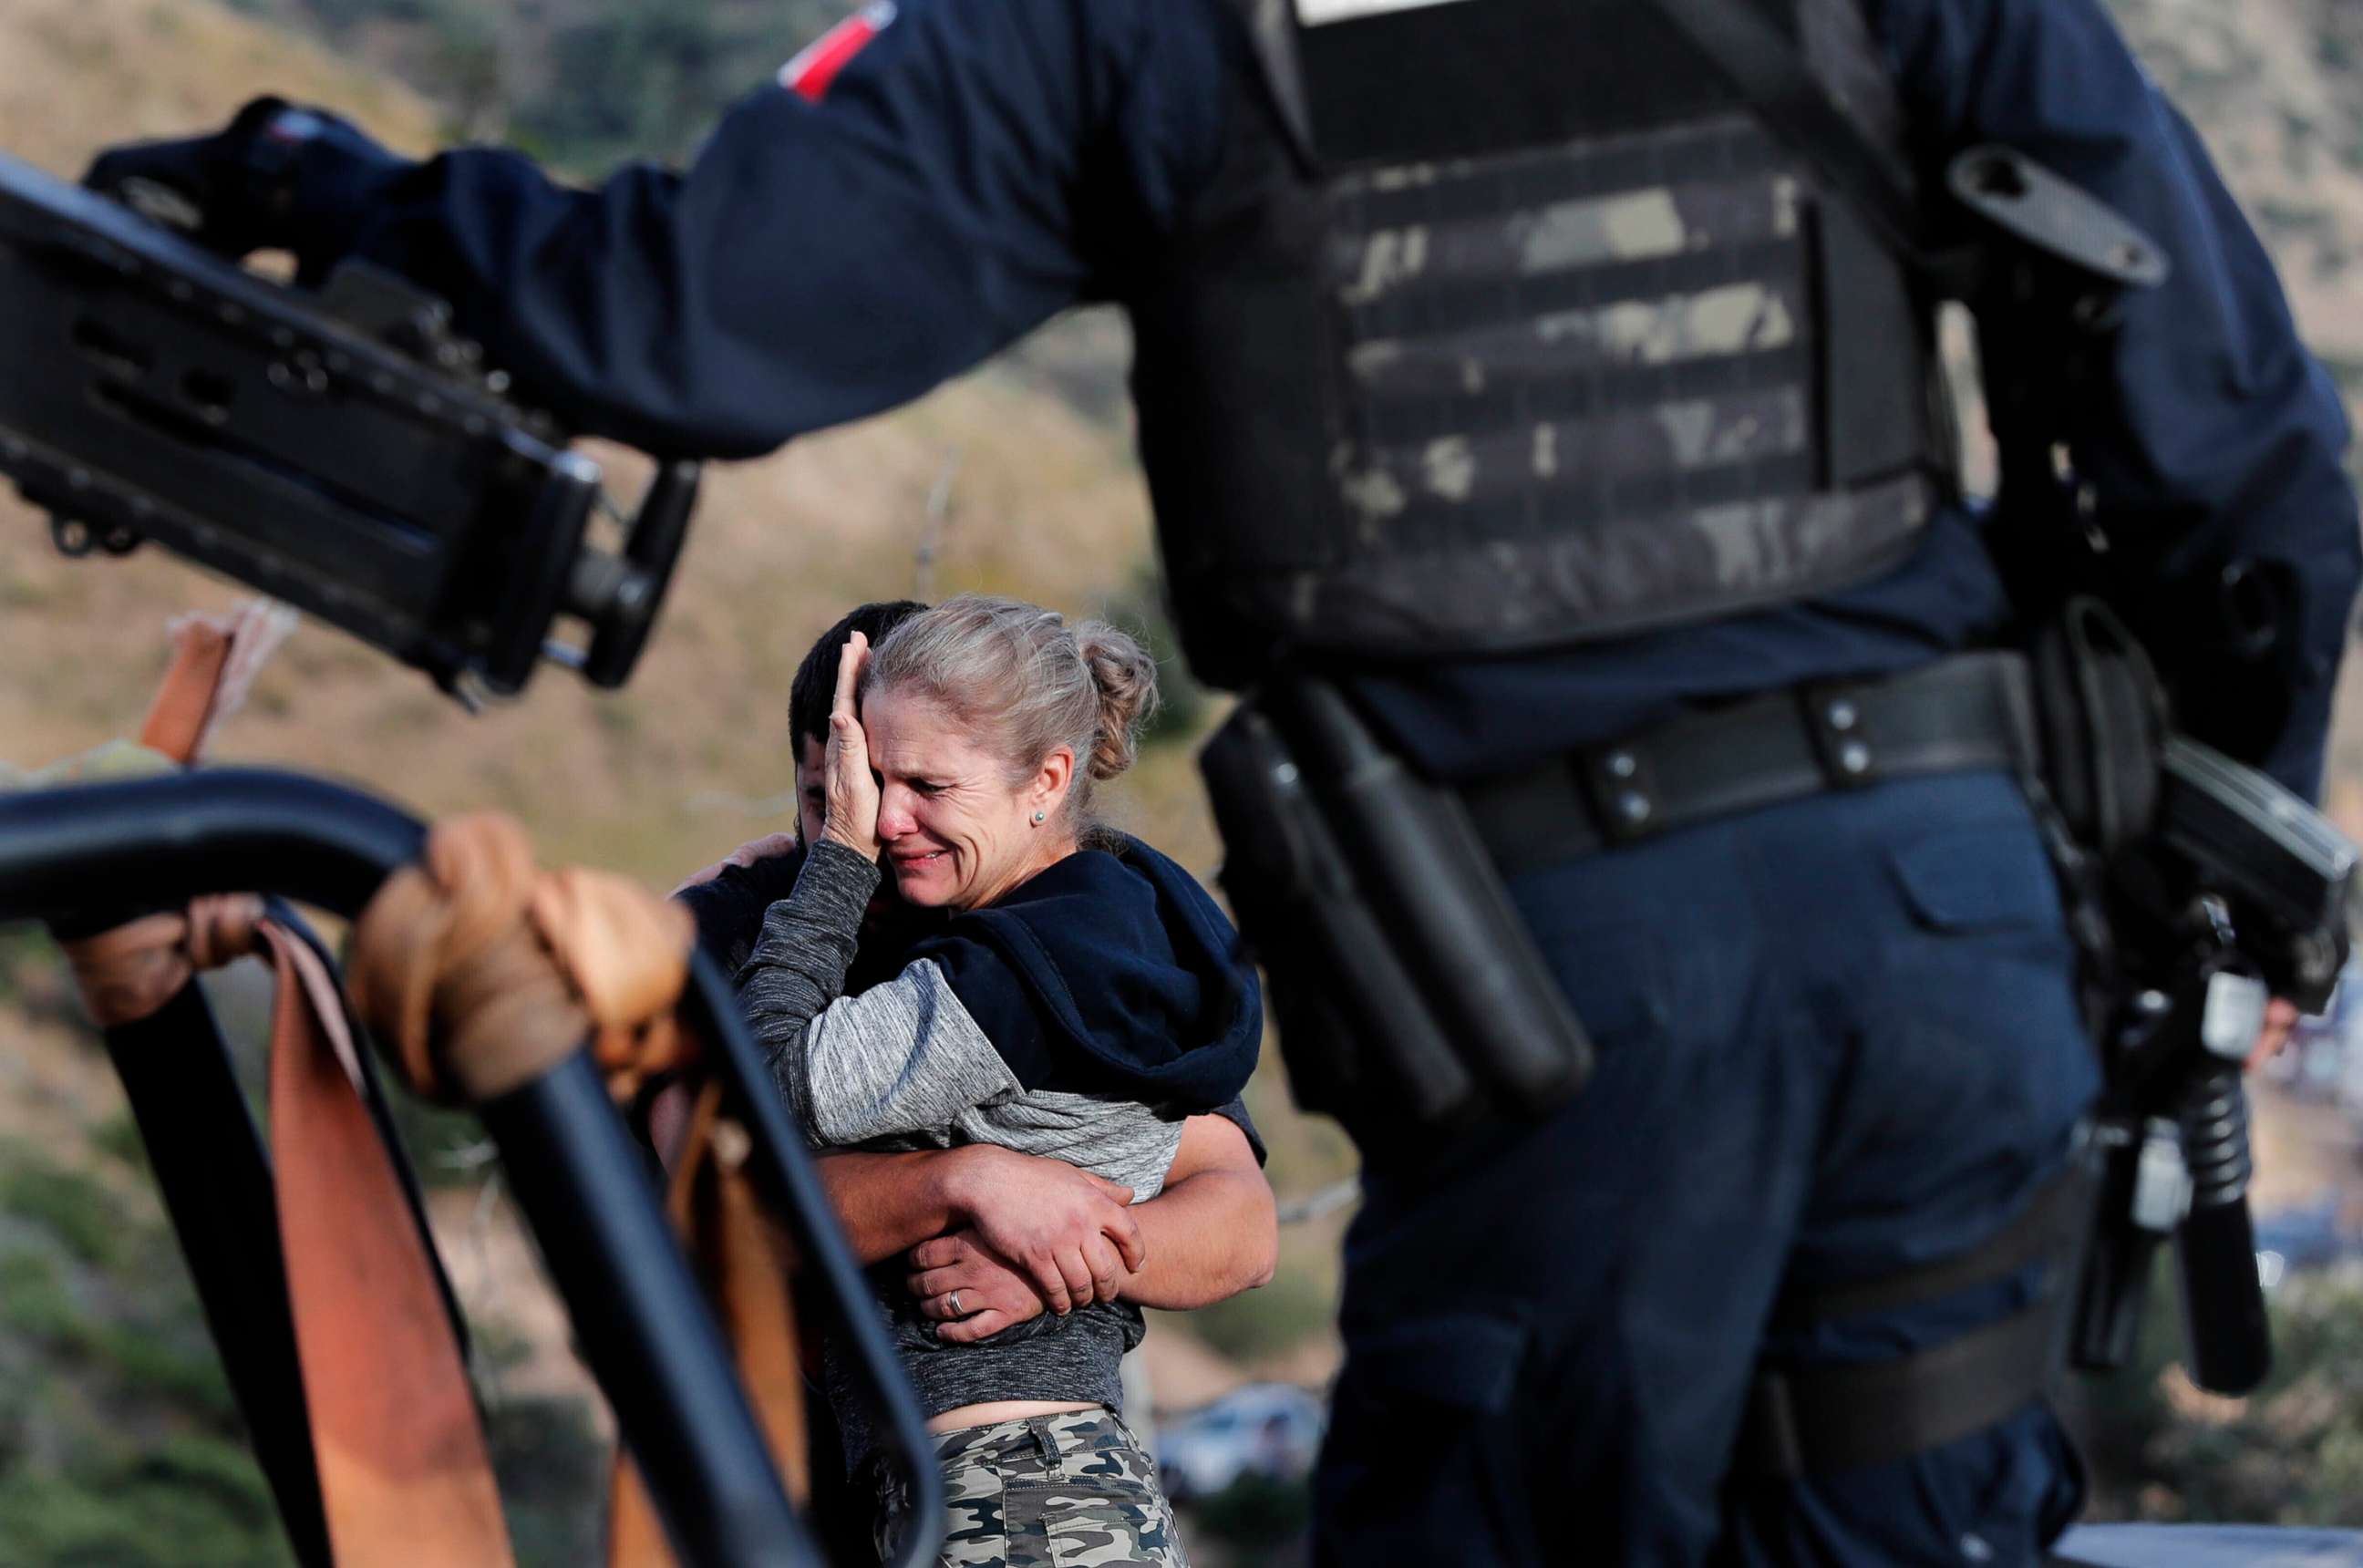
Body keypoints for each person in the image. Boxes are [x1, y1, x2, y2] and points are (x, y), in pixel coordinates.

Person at [83, 0, 2361, 1560]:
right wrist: (2219, 891)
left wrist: (322, 186)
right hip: (1953, 949)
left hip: (1561, 992)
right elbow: (2245, 464)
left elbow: (675, 316)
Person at [674, 599, 1278, 1563]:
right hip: (928, 1491)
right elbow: (722, 1207)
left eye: (920, 784)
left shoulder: (1028, 961)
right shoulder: (1111, 921)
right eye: (843, 794)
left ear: (1043, 781)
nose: (881, 825)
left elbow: (1243, 1225)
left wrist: (1065, 1258)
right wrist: (970, 1186)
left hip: (1013, 1490)